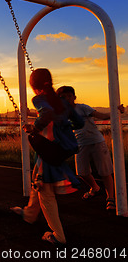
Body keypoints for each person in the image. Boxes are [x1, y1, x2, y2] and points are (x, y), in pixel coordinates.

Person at [11, 68, 84, 245]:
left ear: (34, 86)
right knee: (37, 180)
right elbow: (79, 122)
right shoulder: (63, 101)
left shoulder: (39, 99)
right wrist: (63, 126)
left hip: (49, 150)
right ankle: (29, 214)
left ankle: (58, 236)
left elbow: (47, 114)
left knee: (45, 193)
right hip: (57, 150)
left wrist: (33, 128)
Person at [57, 85, 124, 211]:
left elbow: (102, 116)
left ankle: (110, 198)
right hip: (80, 144)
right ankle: (95, 188)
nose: (66, 99)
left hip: (96, 142)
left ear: (74, 97)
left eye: (69, 96)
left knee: (105, 172)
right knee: (82, 172)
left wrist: (116, 110)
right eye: (63, 97)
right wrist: (30, 113)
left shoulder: (82, 108)